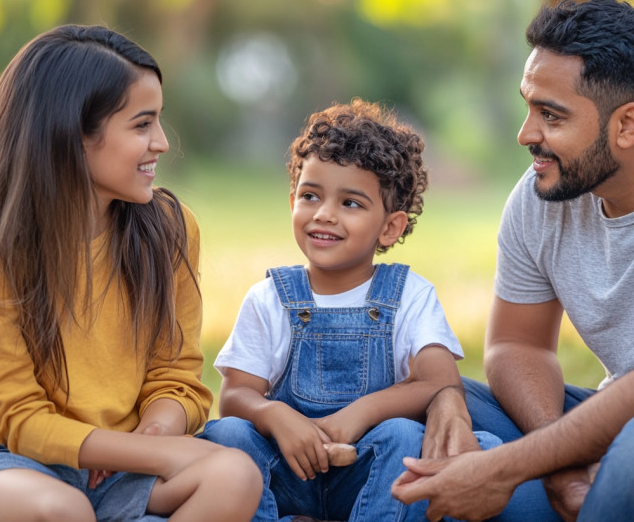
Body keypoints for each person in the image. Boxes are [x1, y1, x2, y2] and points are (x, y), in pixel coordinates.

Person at [391, 0, 634, 522]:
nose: (526, 135)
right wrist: (559, 462)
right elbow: (516, 343)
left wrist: (507, 467)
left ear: (628, 124)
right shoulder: (543, 195)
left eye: (551, 116)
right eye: (529, 106)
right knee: (429, 395)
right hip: (627, 424)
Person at [0, 24, 262, 522]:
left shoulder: (170, 229)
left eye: (159, 121)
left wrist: (154, 434)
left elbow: (177, 375)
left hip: (121, 456)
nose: (162, 142)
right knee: (62, 509)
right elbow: (20, 421)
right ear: (70, 133)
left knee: (237, 475)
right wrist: (158, 455)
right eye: (142, 125)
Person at [201, 99, 500, 522]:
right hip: (286, 473)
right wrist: (275, 414)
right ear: (292, 203)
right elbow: (234, 397)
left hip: (367, 476)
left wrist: (359, 415)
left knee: (402, 435)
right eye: (310, 196)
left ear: (390, 227)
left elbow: (439, 381)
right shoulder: (270, 298)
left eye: (351, 203)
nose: (324, 215)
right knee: (227, 434)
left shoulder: (409, 295)